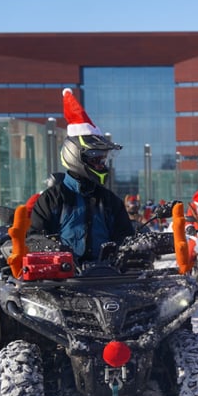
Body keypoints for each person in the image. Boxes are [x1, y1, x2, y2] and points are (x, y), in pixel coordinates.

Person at [29, 88, 134, 264]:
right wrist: (56, 249)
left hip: (107, 278)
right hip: (62, 282)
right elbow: (34, 239)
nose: (102, 165)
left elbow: (126, 237)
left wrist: (140, 246)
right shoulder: (52, 198)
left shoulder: (110, 200)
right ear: (75, 155)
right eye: (96, 159)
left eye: (103, 159)